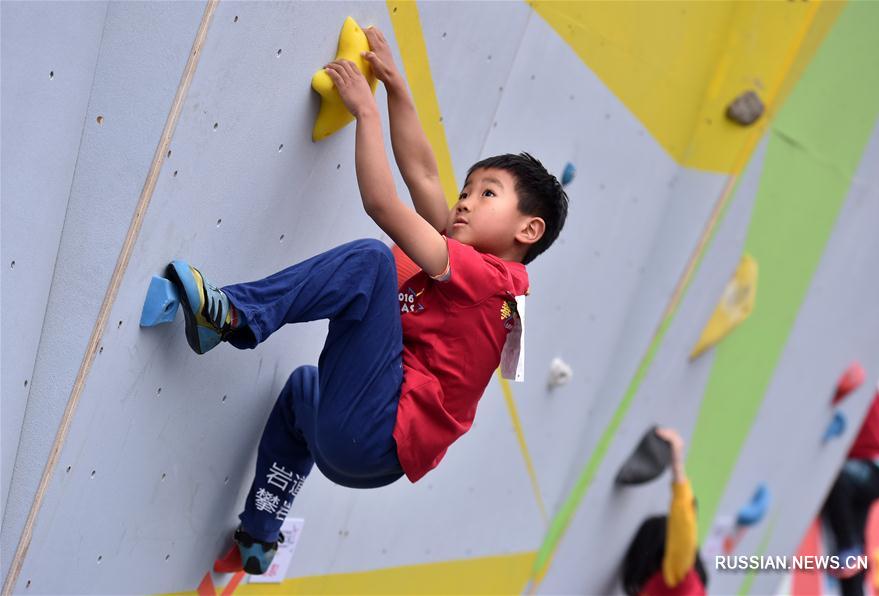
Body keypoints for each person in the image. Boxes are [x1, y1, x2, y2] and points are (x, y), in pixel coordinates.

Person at [164, 25, 569, 574]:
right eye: (468, 191)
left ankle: (234, 316)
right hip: (359, 453)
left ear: (528, 230)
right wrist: (397, 88)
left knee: (374, 262)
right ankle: (258, 538)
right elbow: (423, 173)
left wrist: (367, 114)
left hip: (377, 430)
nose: (466, 202)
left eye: (487, 194)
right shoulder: (474, 273)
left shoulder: (491, 281)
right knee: (301, 391)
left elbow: (382, 202)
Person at [822, 389, 879, 596]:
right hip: (869, 471)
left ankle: (848, 548)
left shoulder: (862, 390)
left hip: (873, 468)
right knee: (853, 548)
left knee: (836, 479)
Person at [622, 428, 708, 596]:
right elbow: (683, 533)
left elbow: (683, 534)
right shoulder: (681, 582)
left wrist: (677, 464)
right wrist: (677, 464)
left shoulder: (683, 583)